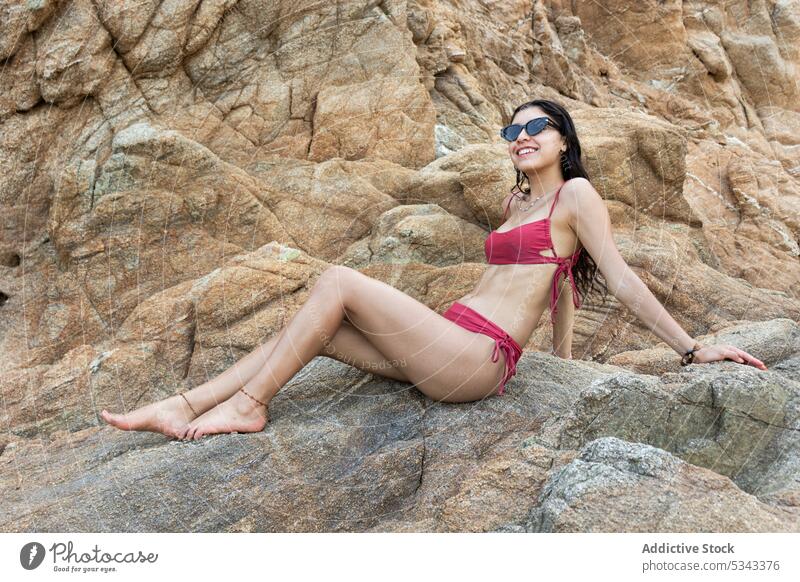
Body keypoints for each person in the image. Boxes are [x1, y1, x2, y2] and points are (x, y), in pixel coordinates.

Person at [101, 99, 767, 441]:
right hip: (448, 344)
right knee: (319, 329)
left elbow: (615, 275)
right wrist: (566, 363)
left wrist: (692, 350)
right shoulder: (517, 201)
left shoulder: (576, 195)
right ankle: (182, 405)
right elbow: (563, 279)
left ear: (564, 140)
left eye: (537, 127)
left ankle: (249, 407)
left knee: (335, 282)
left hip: (477, 360)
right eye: (512, 132)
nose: (522, 137)